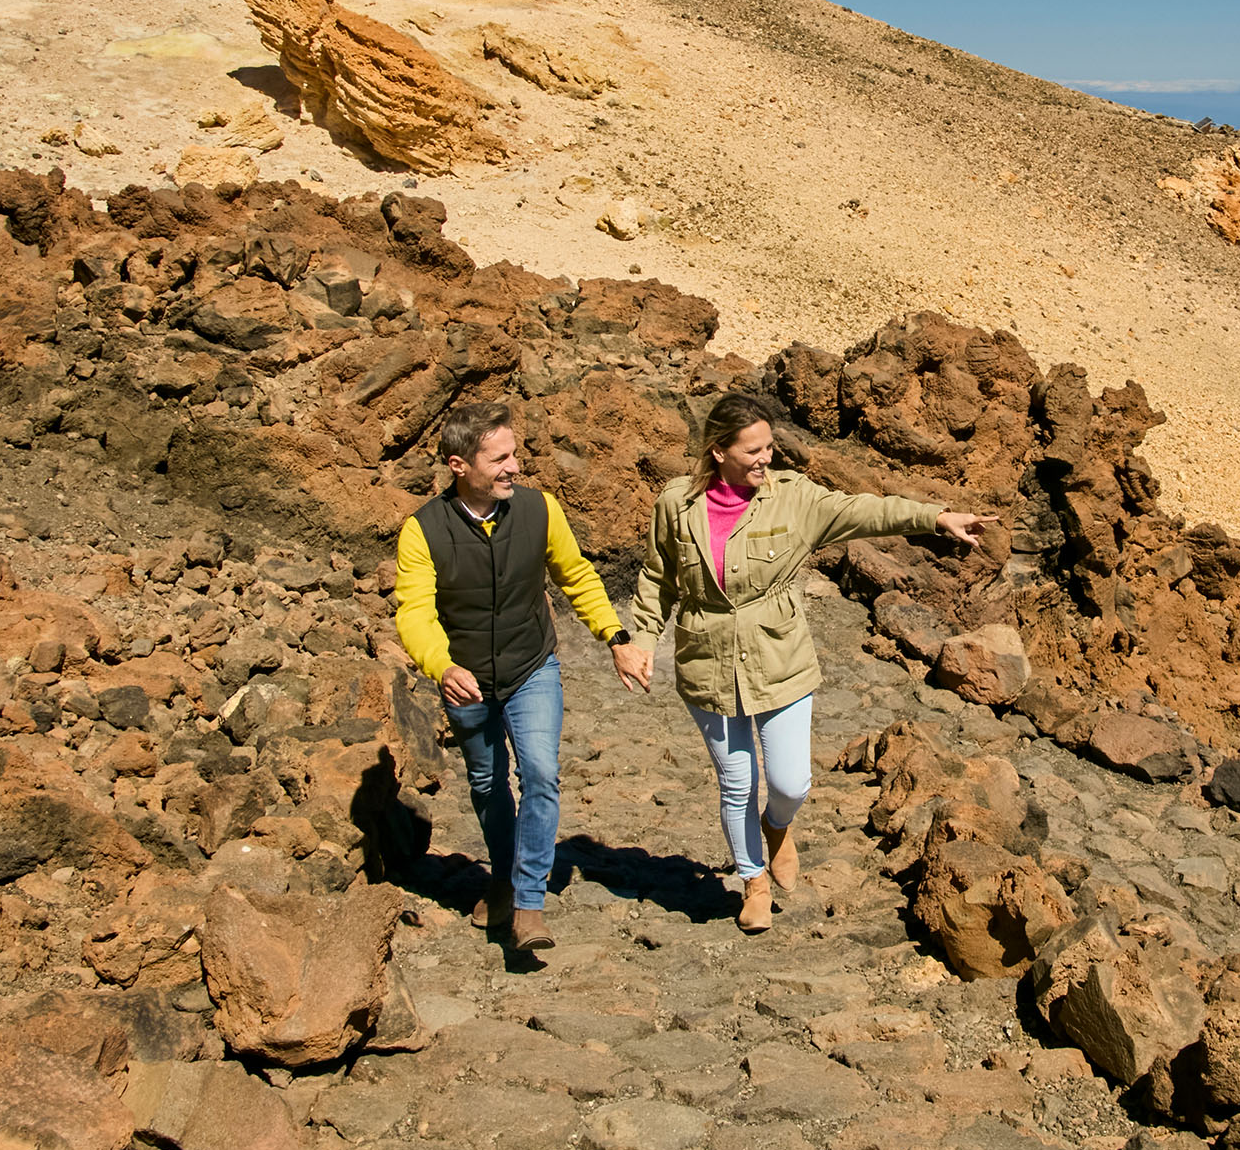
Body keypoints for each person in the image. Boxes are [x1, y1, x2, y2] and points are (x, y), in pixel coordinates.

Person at [629, 391, 988, 932]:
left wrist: (936, 517)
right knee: (735, 780)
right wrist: (638, 639)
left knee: (791, 783)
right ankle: (752, 881)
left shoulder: (793, 498)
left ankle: (777, 826)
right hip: (706, 660)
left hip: (781, 656)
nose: (764, 459)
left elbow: (865, 510)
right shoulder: (676, 503)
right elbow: (658, 579)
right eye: (752, 450)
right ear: (719, 450)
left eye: (769, 447)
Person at [394, 401, 652, 951]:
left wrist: (617, 638)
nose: (514, 467)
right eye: (500, 458)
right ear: (459, 464)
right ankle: (505, 881)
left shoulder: (541, 510)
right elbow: (413, 611)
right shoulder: (422, 530)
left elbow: (577, 576)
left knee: (539, 772)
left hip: (532, 666)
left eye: (515, 454)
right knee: (488, 786)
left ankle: (529, 902)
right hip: (464, 680)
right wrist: (441, 664)